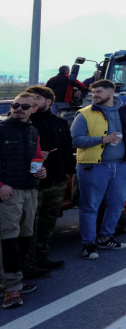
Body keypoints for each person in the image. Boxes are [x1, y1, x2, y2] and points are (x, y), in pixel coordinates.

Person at [70, 79, 126, 259]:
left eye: (98, 92)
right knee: (90, 207)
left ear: (110, 93)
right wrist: (102, 140)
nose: (94, 95)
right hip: (94, 167)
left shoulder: (125, 112)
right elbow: (75, 140)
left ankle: (105, 237)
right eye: (93, 92)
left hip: (121, 166)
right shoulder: (84, 114)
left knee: (117, 205)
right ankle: (88, 245)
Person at [0, 93, 47, 309]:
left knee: (25, 236)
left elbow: (36, 158)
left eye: (24, 106)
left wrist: (42, 171)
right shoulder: (2, 128)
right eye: (15, 105)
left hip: (30, 190)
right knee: (8, 239)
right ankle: (11, 289)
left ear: (33, 109)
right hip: (9, 192)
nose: (19, 108)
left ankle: (14, 279)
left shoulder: (33, 131)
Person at [25, 85, 74, 273]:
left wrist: (69, 172)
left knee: (48, 222)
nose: (34, 102)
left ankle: (43, 257)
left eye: (37, 98)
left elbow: (66, 149)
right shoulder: (26, 124)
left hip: (57, 180)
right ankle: (28, 264)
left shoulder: (60, 123)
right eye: (32, 99)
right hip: (34, 183)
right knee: (30, 226)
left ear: (49, 101)